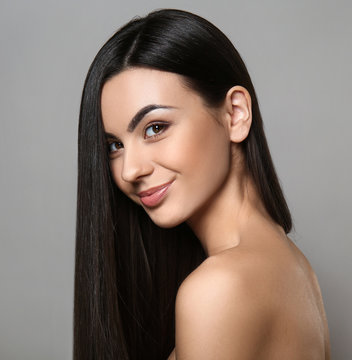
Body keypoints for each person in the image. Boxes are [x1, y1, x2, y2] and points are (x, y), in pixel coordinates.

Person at [74, 8, 330, 360]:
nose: (130, 170)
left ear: (235, 114)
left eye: (155, 128)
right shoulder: (296, 268)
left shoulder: (218, 288)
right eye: (114, 146)